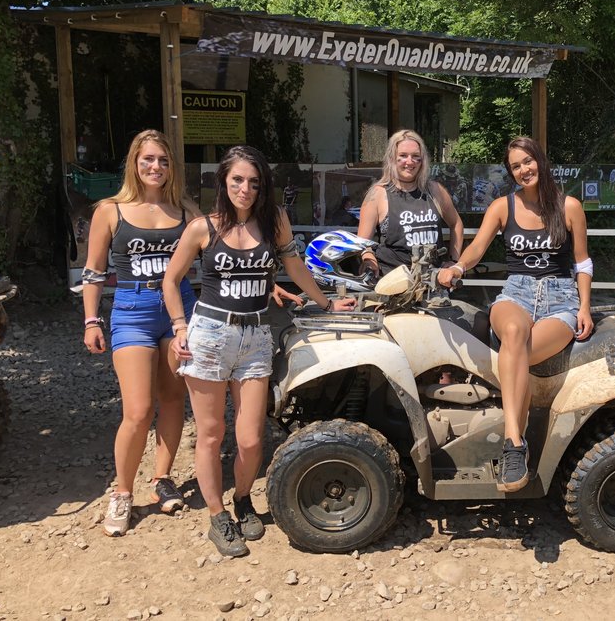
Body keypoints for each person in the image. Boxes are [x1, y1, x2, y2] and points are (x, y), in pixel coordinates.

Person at [163, 145, 355, 557]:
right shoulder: (203, 228)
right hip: (210, 335)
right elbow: (171, 279)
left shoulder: (275, 223)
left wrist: (325, 303)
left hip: (255, 336)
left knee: (250, 439)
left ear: (262, 186)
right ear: (224, 182)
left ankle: (243, 498)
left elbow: (295, 266)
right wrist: (179, 326)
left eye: (253, 182)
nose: (245, 189)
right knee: (211, 435)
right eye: (237, 180)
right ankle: (217, 516)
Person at [436, 136, 593, 492]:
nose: (524, 170)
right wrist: (458, 268)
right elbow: (477, 248)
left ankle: (513, 445)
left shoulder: (569, 206)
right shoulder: (502, 207)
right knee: (515, 334)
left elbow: (582, 261)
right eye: (516, 166)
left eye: (528, 162)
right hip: (516, 293)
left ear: (540, 159)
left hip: (560, 299)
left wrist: (584, 306)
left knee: (517, 353)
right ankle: (515, 443)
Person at [81, 129, 199, 537]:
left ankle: (162, 478)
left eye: (163, 161)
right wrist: (91, 319)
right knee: (136, 410)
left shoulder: (184, 208)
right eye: (148, 159)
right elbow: (94, 271)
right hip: (131, 310)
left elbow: (221, 251)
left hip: (179, 309)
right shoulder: (110, 210)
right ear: (134, 163)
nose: (156, 167)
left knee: (172, 400)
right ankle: (122, 491)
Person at [357, 129, 463, 277]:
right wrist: (368, 260)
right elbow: (362, 244)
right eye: (403, 156)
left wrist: (454, 261)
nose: (409, 161)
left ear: (422, 160)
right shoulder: (378, 194)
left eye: (415, 156)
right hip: (391, 279)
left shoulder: (434, 190)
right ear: (392, 158)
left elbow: (456, 223)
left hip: (432, 280)